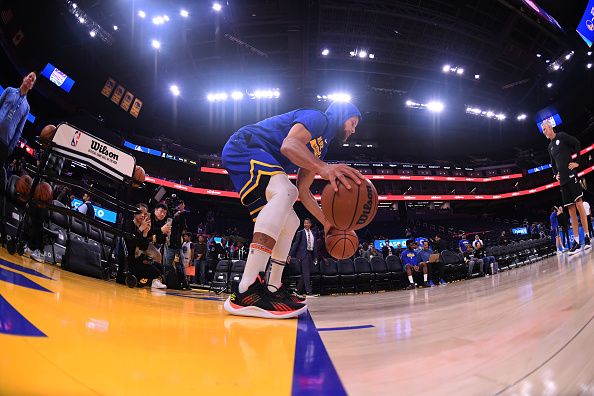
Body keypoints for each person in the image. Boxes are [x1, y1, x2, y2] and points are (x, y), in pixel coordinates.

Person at [221, 101, 363, 318]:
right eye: (352, 123)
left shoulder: (321, 147)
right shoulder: (319, 119)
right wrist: (324, 169)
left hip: (258, 155)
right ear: (341, 114)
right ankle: (246, 288)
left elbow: (304, 191)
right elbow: (289, 145)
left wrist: (327, 222)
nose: (353, 130)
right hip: (245, 147)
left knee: (292, 221)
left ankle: (272, 288)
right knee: (286, 191)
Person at [542, 121, 591, 254]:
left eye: (545, 129)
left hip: (571, 176)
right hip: (562, 181)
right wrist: (554, 175)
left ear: (551, 127)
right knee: (570, 211)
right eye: (543, 130)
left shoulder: (562, 136)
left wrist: (577, 163)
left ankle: (587, 238)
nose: (544, 132)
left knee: (579, 205)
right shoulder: (550, 147)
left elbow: (577, 143)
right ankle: (576, 241)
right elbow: (553, 164)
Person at [124, 203, 167, 289]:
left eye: (145, 214)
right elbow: (131, 245)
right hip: (130, 261)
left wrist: (145, 233)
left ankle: (149, 281)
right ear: (135, 213)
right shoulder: (129, 224)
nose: (143, 215)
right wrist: (141, 230)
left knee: (160, 267)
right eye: (141, 213)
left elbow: (143, 247)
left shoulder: (141, 226)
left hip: (139, 258)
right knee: (155, 270)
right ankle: (149, 281)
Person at [0, 72, 35, 167]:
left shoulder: (27, 107)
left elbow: (19, 130)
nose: (30, 79)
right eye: (29, 76)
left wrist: (10, 148)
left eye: (32, 80)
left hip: (4, 142)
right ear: (24, 78)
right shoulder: (9, 90)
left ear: (31, 86)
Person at [289, 218, 319, 297]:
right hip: (303, 254)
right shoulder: (300, 233)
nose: (306, 224)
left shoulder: (313, 233)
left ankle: (297, 290)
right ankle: (309, 292)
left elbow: (315, 246)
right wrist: (290, 255)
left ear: (310, 224)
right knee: (306, 273)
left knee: (305, 273)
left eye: (307, 223)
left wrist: (315, 256)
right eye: (305, 223)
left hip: (310, 254)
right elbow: (295, 244)